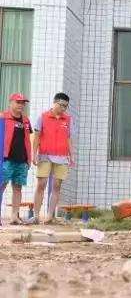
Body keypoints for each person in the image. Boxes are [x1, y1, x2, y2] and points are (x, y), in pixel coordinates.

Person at [31, 93, 75, 224]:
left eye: (65, 106)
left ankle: (50, 215)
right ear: (54, 102)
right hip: (45, 154)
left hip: (62, 157)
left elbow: (69, 139)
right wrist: (34, 154)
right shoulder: (43, 117)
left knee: (57, 186)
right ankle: (36, 215)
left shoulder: (68, 119)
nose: (63, 108)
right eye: (61, 105)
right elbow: (37, 137)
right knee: (41, 184)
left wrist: (71, 155)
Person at [0, 92, 33, 225]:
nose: (21, 105)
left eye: (23, 103)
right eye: (18, 102)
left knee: (18, 187)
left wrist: (29, 159)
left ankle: (14, 216)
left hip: (21, 160)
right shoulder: (2, 117)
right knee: (2, 185)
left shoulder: (26, 120)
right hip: (5, 159)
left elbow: (28, 141)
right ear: (11, 102)